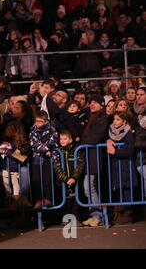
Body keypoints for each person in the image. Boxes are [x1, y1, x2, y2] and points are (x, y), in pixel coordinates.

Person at [81, 94, 109, 227]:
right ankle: (94, 215)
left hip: (95, 155)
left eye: (95, 102)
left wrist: (82, 143)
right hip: (88, 155)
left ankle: (98, 216)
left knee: (89, 186)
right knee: (89, 187)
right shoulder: (89, 116)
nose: (92, 104)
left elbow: (96, 137)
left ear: (101, 104)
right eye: (90, 102)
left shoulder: (102, 118)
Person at [106, 111, 137, 224]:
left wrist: (115, 152)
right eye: (114, 119)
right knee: (119, 188)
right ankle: (120, 212)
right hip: (116, 165)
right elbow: (109, 141)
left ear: (124, 122)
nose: (115, 122)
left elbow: (130, 150)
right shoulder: (111, 132)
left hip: (126, 165)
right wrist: (109, 141)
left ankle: (128, 213)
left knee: (127, 189)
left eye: (118, 119)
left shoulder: (128, 132)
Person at [29, 110, 59, 209]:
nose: (37, 123)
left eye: (40, 121)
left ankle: (48, 198)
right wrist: (45, 149)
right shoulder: (33, 129)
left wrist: (48, 149)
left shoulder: (52, 128)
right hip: (37, 158)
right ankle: (38, 200)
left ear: (45, 121)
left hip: (49, 158)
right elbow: (33, 143)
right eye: (36, 121)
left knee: (47, 179)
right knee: (36, 180)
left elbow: (54, 141)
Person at [53, 130, 85, 223]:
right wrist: (66, 179)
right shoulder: (58, 151)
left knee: (75, 200)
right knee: (65, 201)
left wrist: (74, 177)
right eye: (60, 138)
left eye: (65, 138)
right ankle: (66, 219)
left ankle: (77, 219)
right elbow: (57, 167)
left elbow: (80, 164)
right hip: (63, 181)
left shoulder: (76, 150)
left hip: (75, 180)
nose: (62, 140)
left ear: (70, 140)